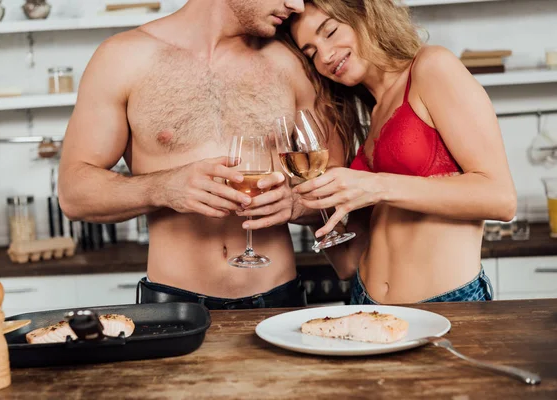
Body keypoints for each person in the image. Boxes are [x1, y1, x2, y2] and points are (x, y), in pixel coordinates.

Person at [58, 0, 338, 310]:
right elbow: (73, 193)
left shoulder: (292, 63)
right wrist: (163, 187)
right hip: (174, 305)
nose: (296, 4)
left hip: (277, 299)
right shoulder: (122, 58)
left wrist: (297, 204)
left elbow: (337, 188)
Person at [284, 0, 517, 304]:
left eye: (329, 32)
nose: (325, 56)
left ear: (365, 13)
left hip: (444, 306)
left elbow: (500, 198)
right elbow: (347, 263)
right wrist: (304, 210)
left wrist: (377, 185)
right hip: (364, 303)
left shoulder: (432, 67)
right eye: (311, 52)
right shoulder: (370, 117)